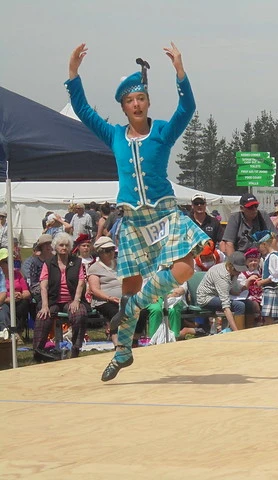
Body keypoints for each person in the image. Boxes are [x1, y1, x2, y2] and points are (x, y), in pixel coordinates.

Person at [65, 42, 210, 380]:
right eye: (129, 100)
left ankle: (135, 305)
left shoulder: (162, 131)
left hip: (164, 215)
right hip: (132, 221)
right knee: (128, 288)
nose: (136, 104)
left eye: (140, 98)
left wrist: (180, 72)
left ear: (147, 102)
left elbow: (187, 108)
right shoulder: (114, 135)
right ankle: (122, 352)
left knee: (185, 268)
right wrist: (73, 74)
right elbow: (84, 111)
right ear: (123, 107)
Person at [33, 232, 89, 361]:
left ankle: (75, 348)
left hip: (71, 300)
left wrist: (76, 300)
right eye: (61, 245)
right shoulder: (48, 263)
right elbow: (43, 286)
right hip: (53, 300)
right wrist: (45, 306)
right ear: (55, 247)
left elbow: (81, 283)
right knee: (43, 316)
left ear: (70, 247)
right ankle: (38, 351)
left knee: (80, 313)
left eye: (66, 245)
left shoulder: (77, 262)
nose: (64, 247)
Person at [196, 251, 259, 331]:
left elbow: (235, 290)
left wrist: (248, 282)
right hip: (206, 298)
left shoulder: (233, 273)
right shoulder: (222, 276)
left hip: (218, 295)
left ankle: (249, 330)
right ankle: (238, 332)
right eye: (237, 270)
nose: (239, 273)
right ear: (230, 266)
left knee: (249, 304)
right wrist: (235, 330)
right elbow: (226, 307)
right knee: (239, 306)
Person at [86, 236, 121, 338]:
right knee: (117, 314)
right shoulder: (94, 268)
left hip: (123, 298)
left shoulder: (120, 264)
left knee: (139, 310)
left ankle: (135, 340)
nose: (111, 252)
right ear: (100, 252)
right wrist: (109, 298)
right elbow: (94, 289)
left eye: (112, 249)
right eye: (107, 250)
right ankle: (117, 344)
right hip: (104, 301)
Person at [253, 230, 278, 325]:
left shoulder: (273, 256)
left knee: (269, 316)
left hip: (272, 290)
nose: (259, 249)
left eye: (259, 246)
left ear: (264, 244)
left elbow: (275, 275)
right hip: (268, 289)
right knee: (267, 315)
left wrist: (262, 282)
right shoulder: (268, 257)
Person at [0, 248, 31, 336]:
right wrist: (7, 299)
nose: (10, 263)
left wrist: (20, 295)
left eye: (11, 261)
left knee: (24, 304)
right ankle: (8, 333)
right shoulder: (0, 276)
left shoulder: (17, 274)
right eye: (6, 261)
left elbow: (27, 292)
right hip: (4, 302)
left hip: (18, 301)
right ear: (0, 263)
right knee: (5, 308)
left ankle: (18, 333)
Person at [237, 248, 263, 327]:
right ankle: (255, 322)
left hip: (260, 294)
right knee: (254, 304)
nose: (253, 262)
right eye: (250, 261)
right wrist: (248, 280)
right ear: (246, 262)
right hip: (248, 295)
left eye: (255, 260)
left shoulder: (260, 272)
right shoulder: (243, 274)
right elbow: (240, 287)